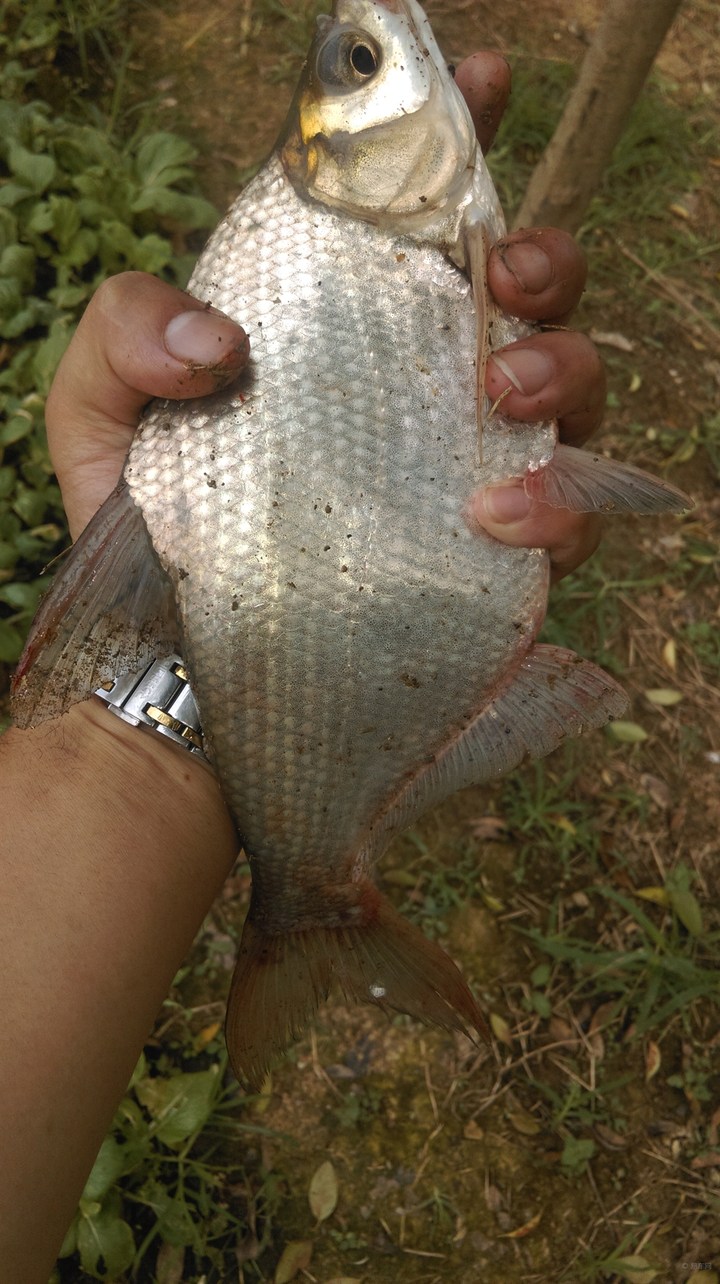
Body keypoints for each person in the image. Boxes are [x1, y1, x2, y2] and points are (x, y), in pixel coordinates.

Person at [0, 52, 607, 1280]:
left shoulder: (380, 220)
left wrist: (151, 729)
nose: (399, 59)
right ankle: (316, 907)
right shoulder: (331, 228)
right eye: (364, 61)